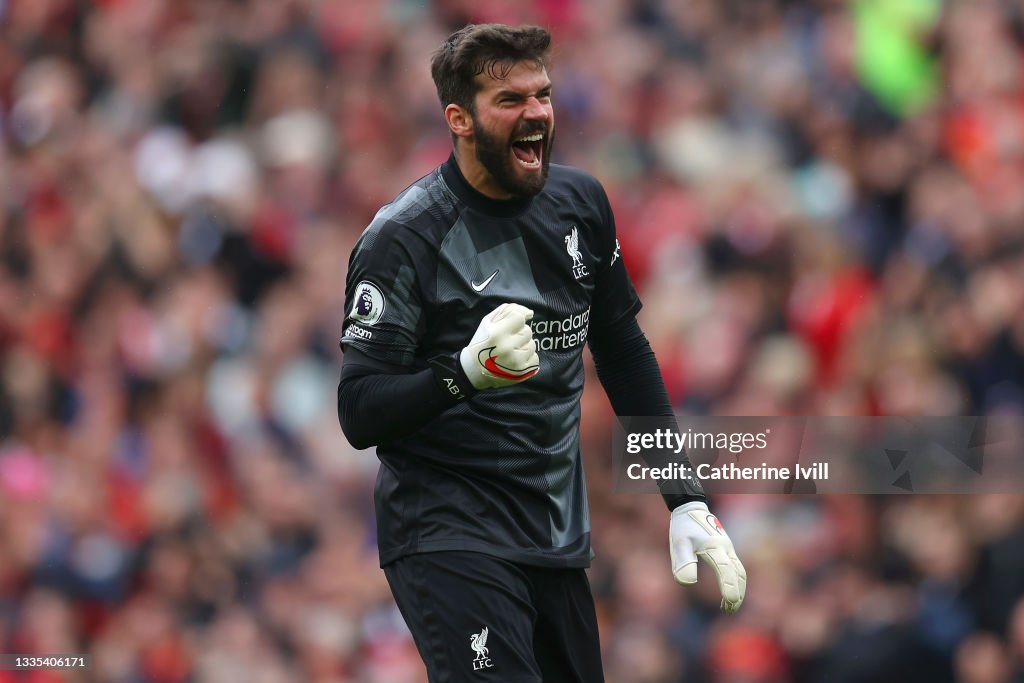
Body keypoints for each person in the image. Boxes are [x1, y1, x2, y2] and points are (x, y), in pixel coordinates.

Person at [337, 23, 746, 683]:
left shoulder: (579, 205)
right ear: (459, 119)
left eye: (543, 95)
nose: (535, 114)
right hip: (448, 531)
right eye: (511, 101)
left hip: (554, 535)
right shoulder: (405, 238)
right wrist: (464, 375)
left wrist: (686, 497)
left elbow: (624, 351)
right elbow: (358, 409)